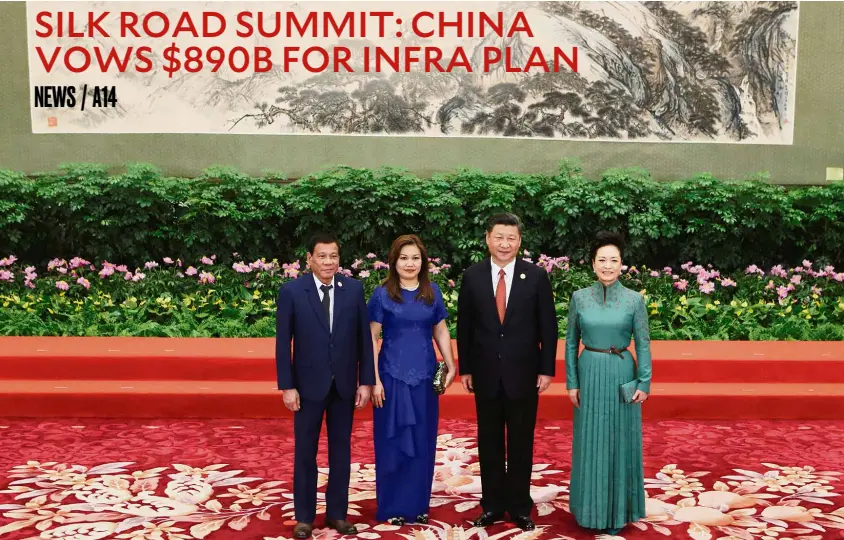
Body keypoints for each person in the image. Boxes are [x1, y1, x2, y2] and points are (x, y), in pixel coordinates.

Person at [456, 213, 558, 531]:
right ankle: (491, 506)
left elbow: (548, 327)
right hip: (485, 373)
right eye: (499, 237)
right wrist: (466, 368)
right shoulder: (472, 276)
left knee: (520, 442)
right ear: (488, 238)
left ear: (519, 242)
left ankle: (519, 506)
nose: (505, 244)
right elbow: (465, 326)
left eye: (511, 238)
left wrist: (546, 369)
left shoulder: (536, 276)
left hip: (524, 374)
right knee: (488, 442)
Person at [275, 233, 375, 539]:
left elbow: (363, 340)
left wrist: (366, 381)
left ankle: (337, 515)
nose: (328, 262)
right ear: (309, 259)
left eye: (333, 256)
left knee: (341, 453)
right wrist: (287, 386)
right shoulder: (292, 291)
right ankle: (304, 517)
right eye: (322, 256)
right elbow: (283, 343)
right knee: (305, 452)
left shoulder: (353, 290)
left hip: (344, 386)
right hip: (307, 387)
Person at [564, 231, 652, 535]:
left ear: (622, 264)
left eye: (613, 260)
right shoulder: (579, 298)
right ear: (592, 264)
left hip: (622, 374)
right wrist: (571, 382)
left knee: (621, 440)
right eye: (602, 259)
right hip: (588, 371)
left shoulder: (633, 300)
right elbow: (570, 342)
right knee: (590, 440)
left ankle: (620, 510)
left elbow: (642, 343)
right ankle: (587, 509)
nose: (608, 265)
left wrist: (645, 381)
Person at [368, 234, 457, 525]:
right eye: (404, 258)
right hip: (391, 379)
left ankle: (418, 505)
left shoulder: (432, 292)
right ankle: (392, 506)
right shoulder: (382, 294)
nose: (410, 263)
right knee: (392, 442)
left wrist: (451, 363)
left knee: (423, 441)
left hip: (424, 378)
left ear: (423, 261)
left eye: (415, 258)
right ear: (393, 261)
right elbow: (371, 336)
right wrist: (373, 379)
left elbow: (440, 329)